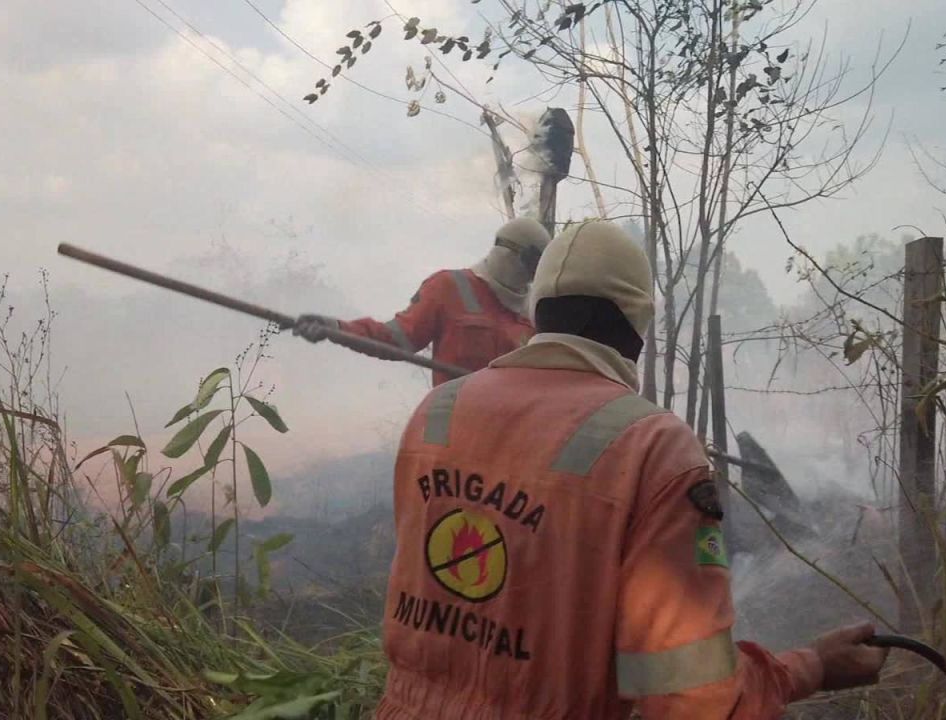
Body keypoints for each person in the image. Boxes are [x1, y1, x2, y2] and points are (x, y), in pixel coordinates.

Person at [374, 221, 888, 719]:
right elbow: (695, 702)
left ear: (537, 312)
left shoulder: (435, 414)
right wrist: (810, 667)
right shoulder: (652, 447)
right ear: (639, 324)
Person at [293, 217, 552, 386]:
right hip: (453, 438)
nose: (531, 273)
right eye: (531, 263)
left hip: (506, 437)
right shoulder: (449, 288)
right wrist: (336, 329)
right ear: (511, 254)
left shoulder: (535, 314)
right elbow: (396, 339)